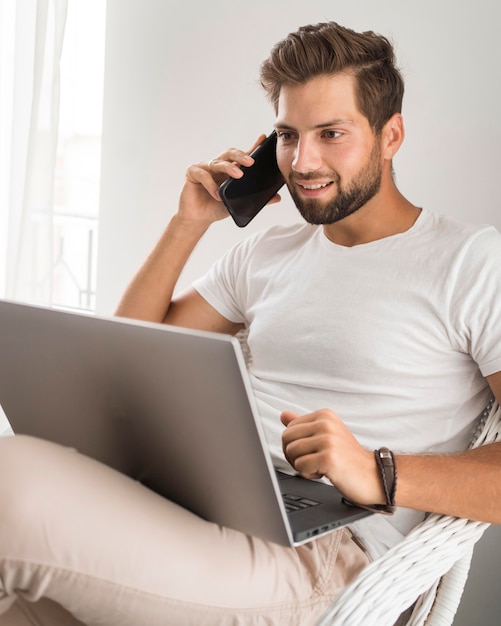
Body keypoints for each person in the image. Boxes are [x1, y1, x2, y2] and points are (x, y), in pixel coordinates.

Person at [1, 20, 501, 626]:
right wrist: (189, 223)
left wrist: (377, 470)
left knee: (11, 481)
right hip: (205, 506)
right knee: (20, 601)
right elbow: (123, 358)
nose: (302, 161)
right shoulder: (268, 253)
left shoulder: (473, 261)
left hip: (324, 559)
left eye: (331, 133)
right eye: (288, 136)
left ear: (391, 135)